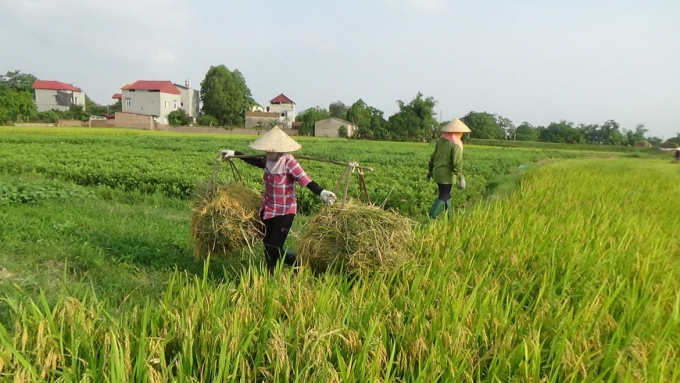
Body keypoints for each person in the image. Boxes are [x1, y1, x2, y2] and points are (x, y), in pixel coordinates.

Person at [220, 126, 337, 274]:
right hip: (269, 209)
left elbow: (305, 179)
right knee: (268, 244)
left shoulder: (289, 163)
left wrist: (322, 192)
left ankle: (298, 262)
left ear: (280, 150)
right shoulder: (268, 160)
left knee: (274, 247)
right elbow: (255, 161)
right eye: (267, 150)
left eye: (272, 150)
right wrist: (235, 154)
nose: (268, 152)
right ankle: (270, 274)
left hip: (285, 212)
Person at [427, 118, 471, 219]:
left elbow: (433, 156)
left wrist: (430, 171)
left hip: (437, 172)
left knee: (446, 194)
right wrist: (461, 177)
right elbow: (457, 163)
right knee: (444, 195)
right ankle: (432, 217)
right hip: (446, 176)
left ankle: (450, 218)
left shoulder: (441, 141)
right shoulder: (456, 144)